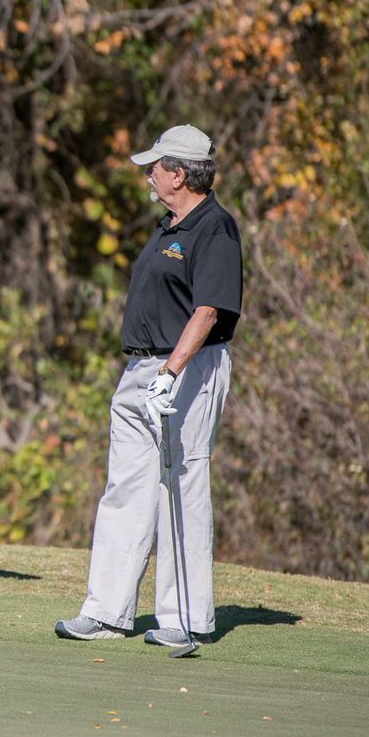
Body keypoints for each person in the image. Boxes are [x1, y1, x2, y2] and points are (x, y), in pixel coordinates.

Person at [56, 125, 240, 646]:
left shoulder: (215, 228)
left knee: (180, 487)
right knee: (126, 489)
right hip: (142, 370)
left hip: (186, 369)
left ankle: (185, 620)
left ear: (179, 174)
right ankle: (108, 612)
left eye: (155, 167)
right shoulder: (168, 227)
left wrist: (171, 372)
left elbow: (208, 310)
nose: (148, 175)